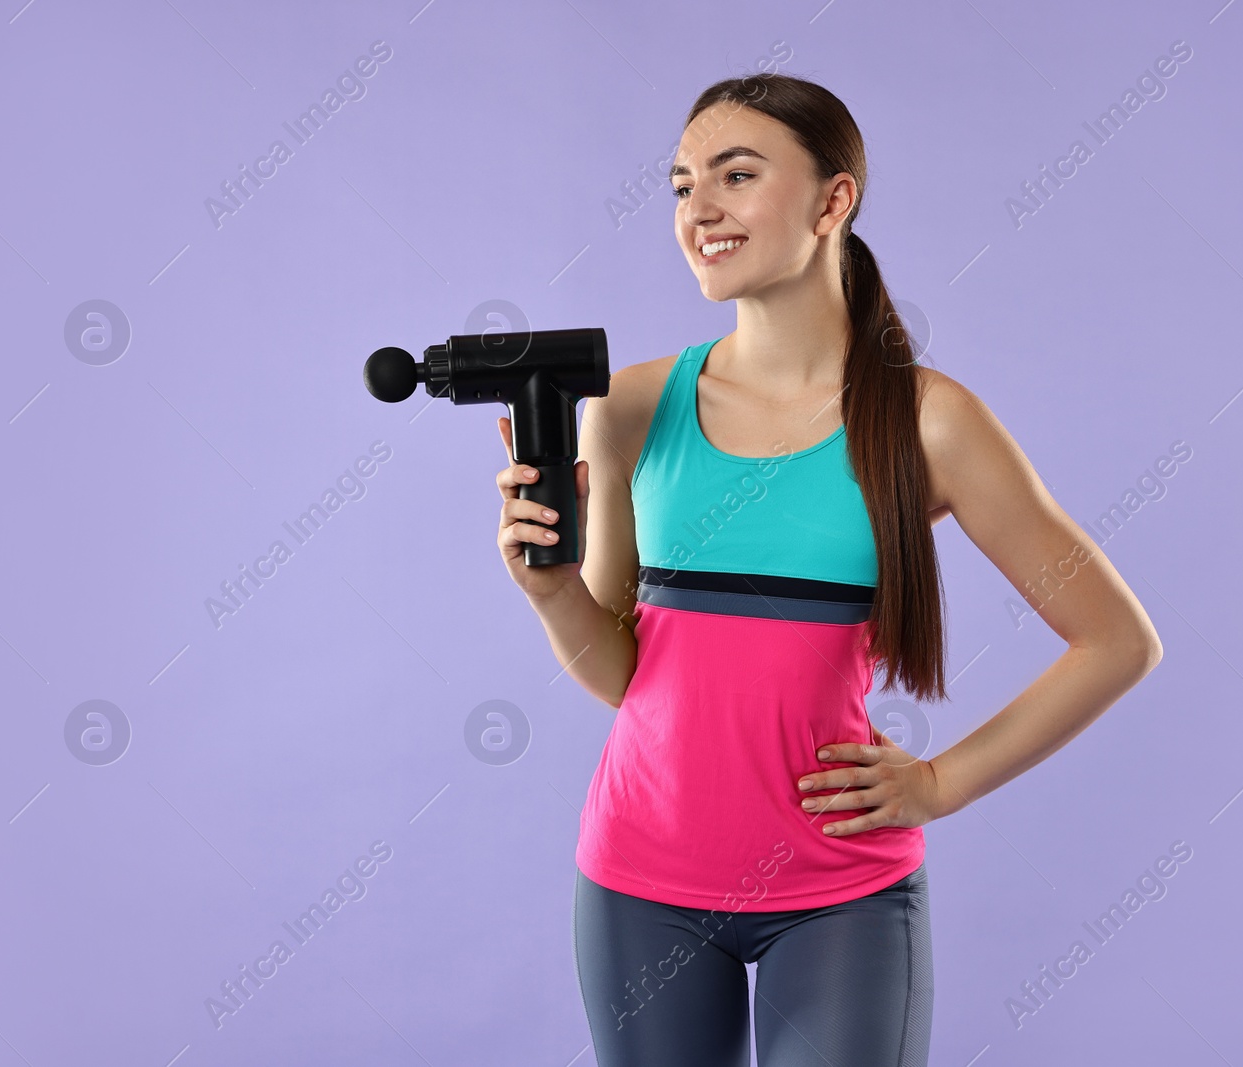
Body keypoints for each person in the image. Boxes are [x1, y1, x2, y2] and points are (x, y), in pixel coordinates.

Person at [494, 72, 1163, 1067]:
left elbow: (1115, 641)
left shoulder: (929, 420)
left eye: (735, 174)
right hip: (638, 879)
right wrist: (552, 594)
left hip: (839, 894)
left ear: (832, 199)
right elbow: (629, 676)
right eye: (681, 185)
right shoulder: (630, 407)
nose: (698, 210)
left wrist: (940, 779)